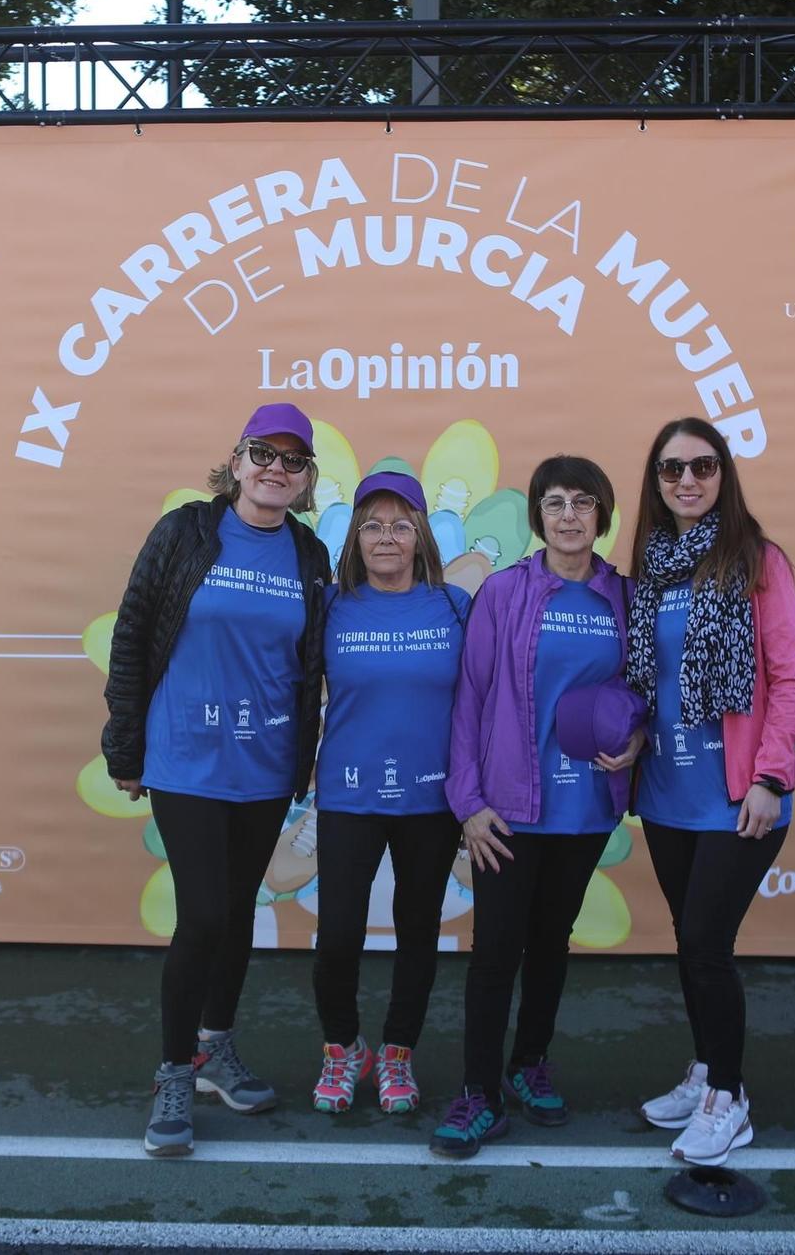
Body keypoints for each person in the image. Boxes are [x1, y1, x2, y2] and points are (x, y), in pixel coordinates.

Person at [102, 403, 332, 1158]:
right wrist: (125, 746)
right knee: (203, 913)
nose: (276, 468)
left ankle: (214, 1049)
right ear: (235, 462)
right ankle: (173, 1072)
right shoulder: (185, 532)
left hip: (263, 765)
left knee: (236, 911)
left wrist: (305, 759)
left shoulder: (308, 554)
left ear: (305, 483)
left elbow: (311, 666)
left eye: (293, 461)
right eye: (263, 452)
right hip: (186, 758)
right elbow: (134, 632)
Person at [431, 455, 644, 1159]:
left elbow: (643, 689)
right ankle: (478, 1093)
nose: (569, 516)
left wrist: (636, 733)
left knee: (552, 943)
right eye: (555, 503)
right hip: (509, 810)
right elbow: (469, 698)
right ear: (538, 517)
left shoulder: (625, 596)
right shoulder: (503, 591)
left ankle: (529, 1064)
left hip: (584, 809)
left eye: (584, 502)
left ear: (602, 515)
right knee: (495, 952)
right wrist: (467, 801)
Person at [626, 418, 795, 1168]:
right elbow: (642, 682)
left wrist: (771, 776)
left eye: (703, 465)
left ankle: (728, 1098)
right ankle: (704, 1068)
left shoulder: (759, 562)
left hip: (738, 795)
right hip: (667, 790)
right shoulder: (649, 565)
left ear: (724, 474)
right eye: (672, 470)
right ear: (657, 483)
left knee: (706, 943)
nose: (688, 480)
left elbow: (789, 678)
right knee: (689, 940)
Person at [310, 472, 470, 1116]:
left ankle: (398, 1052)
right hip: (349, 793)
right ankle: (342, 1049)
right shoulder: (330, 607)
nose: (386, 537)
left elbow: (491, 696)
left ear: (421, 537)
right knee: (340, 933)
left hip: (432, 799)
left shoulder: (456, 606)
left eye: (401, 525)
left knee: (416, 930)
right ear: (355, 538)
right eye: (372, 525)